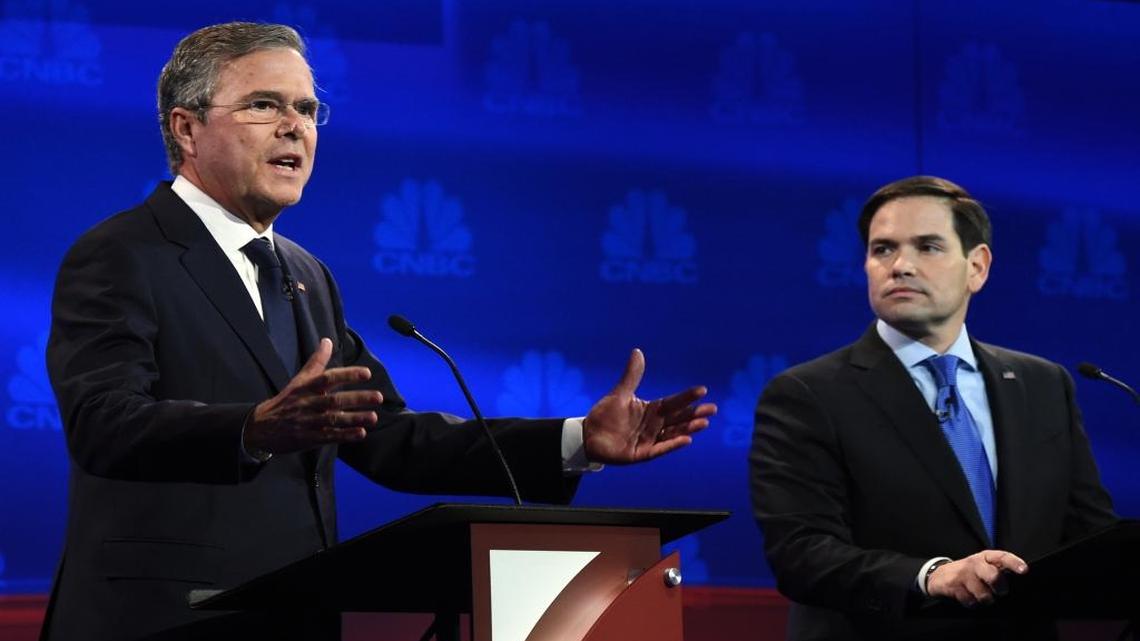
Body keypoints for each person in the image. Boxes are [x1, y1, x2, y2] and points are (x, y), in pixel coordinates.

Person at [43, 22, 716, 641]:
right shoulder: (123, 253)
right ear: (186, 129)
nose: (294, 128)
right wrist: (252, 428)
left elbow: (393, 436)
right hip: (160, 619)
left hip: (290, 617)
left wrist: (573, 441)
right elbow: (103, 422)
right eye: (264, 105)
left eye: (307, 109)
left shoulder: (306, 275)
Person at [750, 175, 1117, 640]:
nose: (900, 265)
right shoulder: (807, 394)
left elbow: (1091, 538)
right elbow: (801, 553)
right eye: (882, 249)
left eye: (928, 247)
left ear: (977, 267)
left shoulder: (1042, 385)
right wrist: (932, 575)